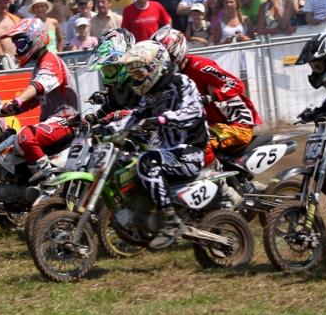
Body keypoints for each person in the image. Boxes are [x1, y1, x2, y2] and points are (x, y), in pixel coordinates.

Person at [115, 40, 208, 250]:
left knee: (147, 161)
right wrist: (106, 129)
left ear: (155, 67)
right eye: (133, 75)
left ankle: (170, 221)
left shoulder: (181, 82)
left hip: (190, 152)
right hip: (168, 152)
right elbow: (134, 116)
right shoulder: (150, 94)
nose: (135, 79)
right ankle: (140, 218)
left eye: (138, 74)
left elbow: (193, 113)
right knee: (126, 162)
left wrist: (161, 119)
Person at [152, 26, 260, 154]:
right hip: (210, 126)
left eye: (162, 56)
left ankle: (213, 167)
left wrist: (210, 97)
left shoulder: (200, 66)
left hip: (237, 125)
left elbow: (235, 84)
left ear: (174, 51)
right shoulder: (169, 77)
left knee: (199, 144)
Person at [0, 18, 79, 181]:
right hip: (52, 123)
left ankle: (49, 179)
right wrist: (2, 111)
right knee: (5, 140)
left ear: (35, 38)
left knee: (25, 135)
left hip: (65, 121)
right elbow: (31, 101)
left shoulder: (50, 60)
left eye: (21, 44)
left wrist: (18, 100)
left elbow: (38, 86)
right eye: (16, 45)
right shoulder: (39, 65)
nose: (18, 49)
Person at [83, 28, 138, 123]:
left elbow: (147, 110)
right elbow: (111, 106)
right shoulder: (115, 87)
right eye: (104, 70)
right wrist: (94, 117)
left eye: (109, 69)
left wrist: (121, 114)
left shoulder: (138, 81)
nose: (107, 75)